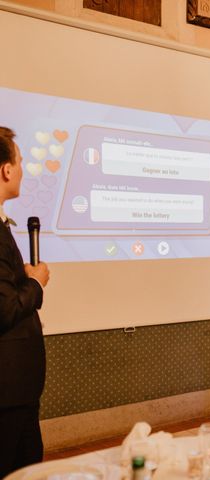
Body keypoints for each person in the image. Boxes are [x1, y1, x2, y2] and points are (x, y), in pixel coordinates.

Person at [0, 127, 50, 477]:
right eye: (19, 162)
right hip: (7, 389)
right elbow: (4, 308)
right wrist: (35, 281)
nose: (21, 170)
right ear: (6, 170)